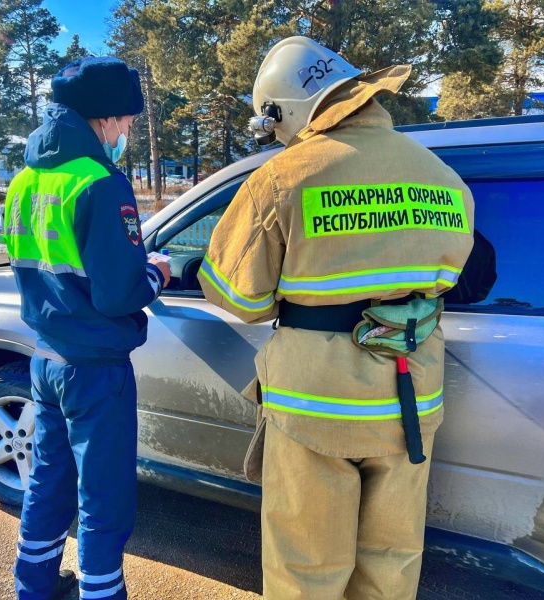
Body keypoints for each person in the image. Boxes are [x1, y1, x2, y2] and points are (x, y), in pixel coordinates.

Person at [199, 37, 475, 600]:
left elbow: (238, 298)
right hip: (410, 403)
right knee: (391, 564)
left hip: (315, 407)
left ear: (288, 108)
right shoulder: (443, 177)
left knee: (306, 568)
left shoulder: (285, 176)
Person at [3, 56, 171, 600]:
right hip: (97, 370)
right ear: (102, 119)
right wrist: (157, 274)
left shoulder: (24, 180)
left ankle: (33, 585)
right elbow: (119, 292)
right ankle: (101, 593)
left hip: (46, 358)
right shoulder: (101, 183)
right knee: (104, 497)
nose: (126, 132)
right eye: (125, 121)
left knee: (48, 483)